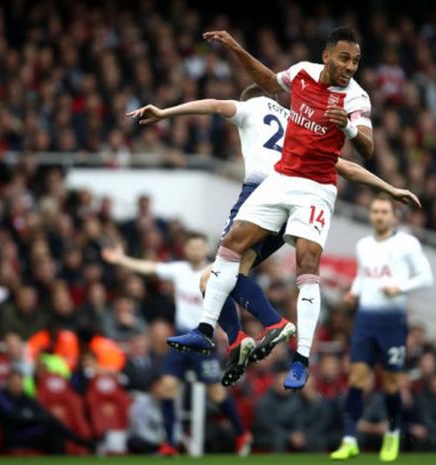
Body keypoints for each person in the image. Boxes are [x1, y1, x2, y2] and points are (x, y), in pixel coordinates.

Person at [128, 82, 418, 387]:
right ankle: (239, 341)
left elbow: (214, 104)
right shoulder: (296, 121)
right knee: (214, 278)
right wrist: (389, 188)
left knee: (218, 272)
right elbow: (343, 165)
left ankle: (268, 323)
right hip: (294, 195)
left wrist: (164, 113)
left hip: (261, 195)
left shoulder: (252, 105)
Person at [175, 26, 386, 391]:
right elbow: (271, 80)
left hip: (316, 190)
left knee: (306, 264)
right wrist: (235, 46)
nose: (351, 66)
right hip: (280, 179)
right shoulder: (303, 72)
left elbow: (368, 148)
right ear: (326, 56)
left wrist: (350, 132)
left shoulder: (356, 99)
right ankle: (207, 329)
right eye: (344, 58)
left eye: (356, 61)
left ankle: (301, 359)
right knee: (230, 244)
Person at [101, 234, 252, 456]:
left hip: (204, 338)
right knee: (167, 387)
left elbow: (230, 302)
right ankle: (170, 443)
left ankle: (241, 433)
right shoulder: (179, 269)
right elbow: (149, 267)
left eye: (200, 246)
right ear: (186, 249)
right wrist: (121, 259)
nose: (195, 251)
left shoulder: (215, 270)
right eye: (191, 246)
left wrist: (230, 331)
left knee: (215, 393)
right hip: (181, 337)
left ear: (205, 249)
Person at [330, 195, 434, 462]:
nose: (378, 216)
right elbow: (364, 275)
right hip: (365, 320)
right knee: (356, 378)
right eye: (375, 211)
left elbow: (426, 276)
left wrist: (400, 287)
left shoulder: (408, 243)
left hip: (393, 322)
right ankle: (350, 439)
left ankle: (392, 434)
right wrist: (354, 293)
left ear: (393, 215)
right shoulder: (363, 244)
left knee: (390, 382)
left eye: (384, 212)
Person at [0, 368, 96, 454]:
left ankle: (70, 451)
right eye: (14, 381)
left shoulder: (25, 397)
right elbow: (15, 418)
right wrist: (32, 416)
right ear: (8, 382)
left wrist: (31, 416)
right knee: (51, 426)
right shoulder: (3, 398)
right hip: (14, 436)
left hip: (28, 431)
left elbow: (40, 412)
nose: (17, 384)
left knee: (53, 430)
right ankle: (81, 442)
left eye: (19, 381)